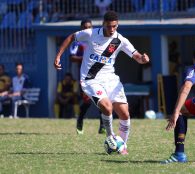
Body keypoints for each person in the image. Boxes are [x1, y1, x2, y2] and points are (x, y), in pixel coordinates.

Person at [54, 11, 150, 154]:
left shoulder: (120, 40)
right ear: (103, 24)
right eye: (109, 26)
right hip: (90, 79)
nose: (112, 29)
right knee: (107, 107)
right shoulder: (90, 33)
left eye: (115, 26)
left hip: (111, 80)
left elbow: (135, 55)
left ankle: (122, 146)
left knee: (124, 114)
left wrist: (142, 59)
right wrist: (58, 56)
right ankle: (110, 137)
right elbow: (71, 37)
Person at [69, 19, 105, 135]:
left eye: (89, 27)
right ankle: (80, 120)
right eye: (85, 27)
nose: (87, 29)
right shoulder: (77, 42)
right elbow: (72, 57)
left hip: (98, 75)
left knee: (102, 100)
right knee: (87, 102)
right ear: (81, 28)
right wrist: (85, 58)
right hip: (85, 76)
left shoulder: (96, 39)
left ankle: (102, 126)